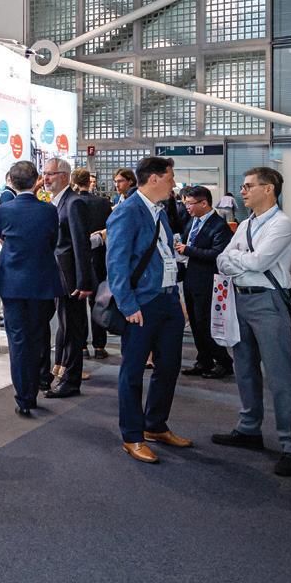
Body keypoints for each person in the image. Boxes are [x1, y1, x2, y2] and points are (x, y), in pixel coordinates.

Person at [213, 167, 291, 477]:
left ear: (269, 189)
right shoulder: (246, 224)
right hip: (239, 301)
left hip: (268, 303)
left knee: (279, 376)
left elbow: (259, 261)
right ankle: (249, 428)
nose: (242, 191)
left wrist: (237, 258)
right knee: (244, 368)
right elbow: (221, 259)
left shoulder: (283, 224)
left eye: (249, 186)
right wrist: (241, 259)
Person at [106, 156, 192, 464]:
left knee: (168, 366)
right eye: (170, 177)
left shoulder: (160, 212)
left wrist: (176, 297)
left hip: (167, 299)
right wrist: (128, 304)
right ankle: (132, 435)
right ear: (153, 179)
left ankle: (155, 425)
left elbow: (166, 256)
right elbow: (116, 263)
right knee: (132, 371)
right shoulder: (127, 212)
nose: (174, 183)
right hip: (141, 304)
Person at [0, 160, 62, 415]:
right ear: (36, 181)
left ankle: (24, 396)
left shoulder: (3, 210)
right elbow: (53, 240)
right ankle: (36, 385)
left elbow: (0, 236)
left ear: (11, 181)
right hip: (41, 281)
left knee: (18, 340)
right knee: (38, 335)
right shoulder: (49, 210)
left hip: (12, 282)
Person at [42, 157, 95, 398]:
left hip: (71, 279)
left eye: (50, 174)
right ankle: (59, 374)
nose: (45, 178)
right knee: (64, 327)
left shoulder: (74, 203)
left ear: (64, 176)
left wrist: (83, 282)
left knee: (72, 330)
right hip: (56, 276)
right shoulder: (57, 202)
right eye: (44, 173)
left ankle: (71, 381)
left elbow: (80, 245)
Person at [174, 186, 234, 379]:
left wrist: (188, 250)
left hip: (208, 280)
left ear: (204, 203)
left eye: (190, 204)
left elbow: (218, 254)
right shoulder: (192, 221)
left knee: (205, 323)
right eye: (186, 203)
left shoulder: (218, 226)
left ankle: (223, 362)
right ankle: (204, 361)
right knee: (195, 323)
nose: (187, 207)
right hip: (191, 278)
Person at [72, 167, 112, 359]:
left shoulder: (71, 202)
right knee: (99, 301)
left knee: (78, 305)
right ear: (90, 182)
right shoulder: (103, 203)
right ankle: (99, 346)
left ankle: (81, 346)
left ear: (73, 182)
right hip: (99, 257)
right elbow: (109, 230)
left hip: (77, 259)